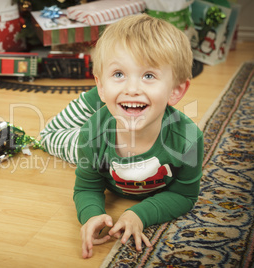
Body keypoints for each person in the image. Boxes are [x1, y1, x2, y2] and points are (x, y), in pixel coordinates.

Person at [40, 14, 204, 259]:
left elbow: (184, 194)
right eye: (119, 74)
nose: (132, 88)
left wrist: (139, 214)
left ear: (176, 91)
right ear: (102, 84)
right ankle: (93, 99)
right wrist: (91, 214)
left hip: (112, 113)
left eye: (149, 75)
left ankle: (104, 94)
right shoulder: (91, 134)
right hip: (91, 137)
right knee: (50, 136)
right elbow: (87, 187)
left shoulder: (188, 139)